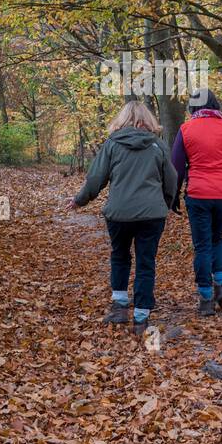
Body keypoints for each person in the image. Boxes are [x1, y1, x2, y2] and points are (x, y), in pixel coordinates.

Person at [67, 100, 177, 335]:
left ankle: (119, 307)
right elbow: (171, 180)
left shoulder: (112, 145)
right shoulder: (158, 146)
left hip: (118, 214)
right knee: (146, 262)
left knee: (119, 255)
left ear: (122, 119)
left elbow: (96, 179)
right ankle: (141, 317)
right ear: (147, 120)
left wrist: (80, 200)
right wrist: (165, 204)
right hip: (152, 215)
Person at [170, 88, 222, 317]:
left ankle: (206, 298)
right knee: (217, 239)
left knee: (202, 245)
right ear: (215, 104)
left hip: (198, 195)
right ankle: (221, 286)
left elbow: (176, 168)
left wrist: (173, 195)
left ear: (193, 107)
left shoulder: (186, 130)